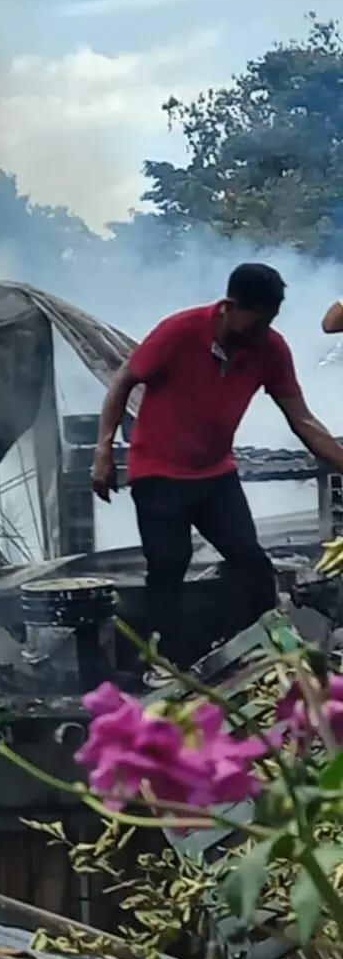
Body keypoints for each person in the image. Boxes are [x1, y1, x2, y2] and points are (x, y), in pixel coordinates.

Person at [91, 262, 343, 662]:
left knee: (251, 562)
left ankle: (270, 652)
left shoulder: (270, 349)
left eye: (270, 322)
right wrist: (103, 450)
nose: (263, 332)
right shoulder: (179, 332)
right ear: (229, 306)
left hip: (215, 474)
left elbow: (303, 421)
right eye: (257, 322)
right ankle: (161, 660)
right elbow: (123, 381)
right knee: (170, 563)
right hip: (158, 472)